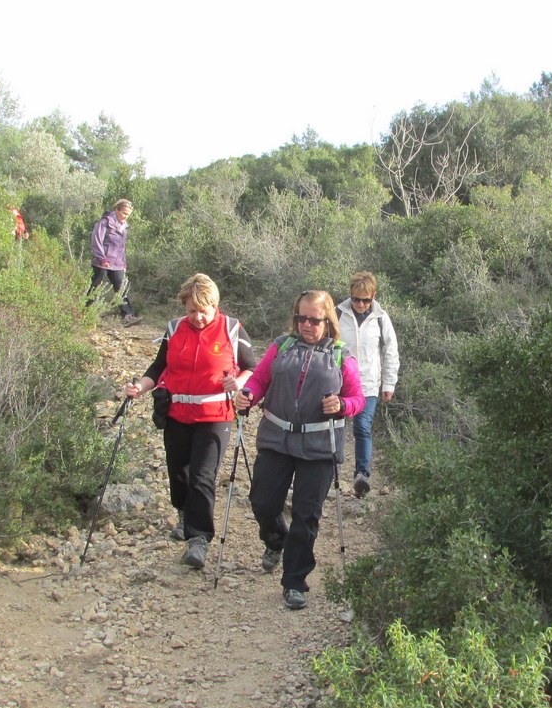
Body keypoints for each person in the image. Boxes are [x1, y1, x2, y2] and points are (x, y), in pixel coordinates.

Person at [235, 290, 365, 610]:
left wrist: (342, 404)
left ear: (327, 321)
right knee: (263, 501)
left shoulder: (340, 355)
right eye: (301, 318)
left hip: (320, 446)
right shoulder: (282, 345)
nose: (306, 325)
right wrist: (248, 394)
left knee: (306, 516)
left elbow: (358, 398)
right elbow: (261, 378)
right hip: (277, 438)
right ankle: (275, 541)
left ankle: (295, 581)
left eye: (314, 320)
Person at [125, 274, 257, 569]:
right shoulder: (174, 329)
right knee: (179, 473)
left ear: (215, 305)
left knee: (202, 476)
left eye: (203, 310)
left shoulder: (231, 329)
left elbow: (252, 367)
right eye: (190, 310)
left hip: (215, 416)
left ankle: (198, 539)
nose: (197, 317)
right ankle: (184, 515)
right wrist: (140, 387)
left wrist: (238, 382)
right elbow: (159, 367)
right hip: (177, 414)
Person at [336, 271, 400, 497]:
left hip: (369, 384)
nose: (360, 304)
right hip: (340, 383)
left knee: (362, 428)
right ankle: (331, 470)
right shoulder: (337, 314)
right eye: (356, 299)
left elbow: (391, 351)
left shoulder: (381, 318)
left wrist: (389, 384)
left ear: (374, 296)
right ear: (350, 295)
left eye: (366, 299)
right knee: (336, 427)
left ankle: (361, 476)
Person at [86, 198, 140, 327]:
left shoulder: (124, 227)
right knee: (95, 287)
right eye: (124, 214)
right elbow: (96, 241)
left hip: (117, 263)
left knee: (121, 288)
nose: (125, 217)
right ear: (116, 210)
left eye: (128, 215)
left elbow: (122, 247)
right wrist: (102, 258)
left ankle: (127, 316)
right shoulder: (104, 222)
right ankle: (86, 313)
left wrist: (123, 263)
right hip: (102, 261)